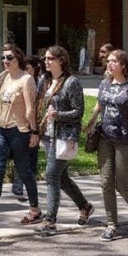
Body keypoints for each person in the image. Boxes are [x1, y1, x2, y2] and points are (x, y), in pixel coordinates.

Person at [0, 43, 41, 228]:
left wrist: (34, 131)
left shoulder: (26, 79)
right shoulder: (3, 77)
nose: (5, 61)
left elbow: (30, 109)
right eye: (3, 58)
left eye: (9, 58)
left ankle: (35, 210)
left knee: (24, 172)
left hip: (18, 131)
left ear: (18, 59)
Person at [85, 49, 128, 241]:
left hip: (125, 139)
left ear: (123, 65)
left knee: (122, 183)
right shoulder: (104, 84)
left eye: (114, 61)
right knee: (105, 182)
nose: (109, 64)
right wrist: (92, 120)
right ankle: (112, 224)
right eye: (108, 61)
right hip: (105, 137)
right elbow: (100, 104)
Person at [34, 46, 94, 236]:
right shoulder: (45, 80)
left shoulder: (71, 82)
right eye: (45, 58)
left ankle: (50, 221)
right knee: (62, 177)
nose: (46, 61)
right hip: (48, 135)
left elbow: (78, 112)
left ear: (61, 60)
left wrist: (57, 114)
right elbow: (39, 104)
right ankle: (84, 206)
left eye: (50, 58)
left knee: (51, 175)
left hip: (64, 136)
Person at [11, 54, 47, 203]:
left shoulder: (41, 81)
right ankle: (19, 183)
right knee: (22, 154)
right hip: (21, 124)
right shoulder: (20, 80)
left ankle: (27, 185)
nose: (24, 71)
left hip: (36, 124)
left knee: (32, 155)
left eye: (27, 68)